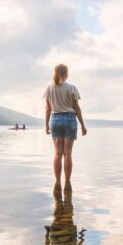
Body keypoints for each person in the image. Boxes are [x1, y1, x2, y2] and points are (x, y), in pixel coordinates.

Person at [44, 63, 87, 194]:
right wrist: (83, 125)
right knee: (67, 153)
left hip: (55, 119)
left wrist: (46, 125)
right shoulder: (71, 88)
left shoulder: (49, 88)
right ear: (66, 73)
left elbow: (48, 109)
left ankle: (57, 181)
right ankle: (67, 181)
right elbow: (77, 108)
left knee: (57, 153)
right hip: (69, 119)